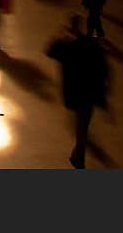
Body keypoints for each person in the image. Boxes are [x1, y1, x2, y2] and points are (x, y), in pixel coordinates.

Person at [46, 14, 109, 168]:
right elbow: (102, 70)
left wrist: (60, 35)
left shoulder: (67, 47)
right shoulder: (91, 45)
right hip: (89, 94)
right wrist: (103, 96)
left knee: (80, 128)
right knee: (83, 126)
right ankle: (77, 156)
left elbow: (50, 51)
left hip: (73, 94)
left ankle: (78, 156)